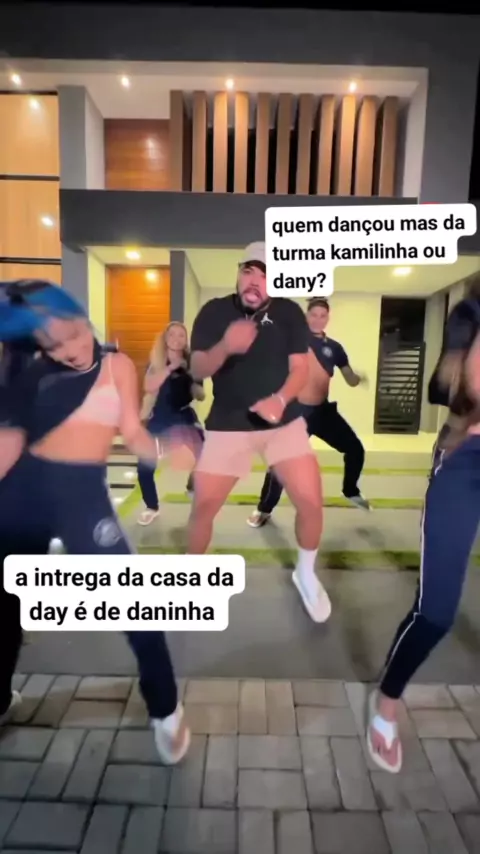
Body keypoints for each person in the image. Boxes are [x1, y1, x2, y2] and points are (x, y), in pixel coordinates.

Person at [0, 280, 191, 764]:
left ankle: (166, 709)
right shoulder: (29, 373)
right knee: (5, 604)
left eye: (71, 335)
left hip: (82, 498)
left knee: (133, 602)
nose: (67, 351)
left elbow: (132, 431)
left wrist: (166, 449)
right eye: (52, 346)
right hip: (22, 495)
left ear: (83, 318)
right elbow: (9, 444)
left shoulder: (118, 366)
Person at [367, 284, 480, 774]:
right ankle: (386, 703)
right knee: (435, 613)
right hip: (467, 461)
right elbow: (447, 388)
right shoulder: (470, 313)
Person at [188, 242, 330, 622]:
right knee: (202, 507)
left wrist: (280, 400)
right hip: (228, 423)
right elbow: (198, 368)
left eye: (266, 275)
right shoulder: (215, 311)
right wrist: (225, 346)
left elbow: (299, 369)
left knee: (311, 502)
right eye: (249, 271)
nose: (256, 281)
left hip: (283, 422)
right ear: (238, 272)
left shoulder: (289, 312)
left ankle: (305, 573)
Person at [248, 296, 370, 528]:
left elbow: (349, 378)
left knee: (355, 449)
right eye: (313, 315)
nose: (318, 319)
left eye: (322, 315)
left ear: (328, 318)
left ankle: (350, 490)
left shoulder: (335, 348)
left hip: (323, 412)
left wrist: (358, 379)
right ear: (306, 316)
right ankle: (264, 509)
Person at [137, 322, 205, 526]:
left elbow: (200, 395)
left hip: (184, 415)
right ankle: (152, 506)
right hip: (160, 416)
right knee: (144, 466)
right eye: (172, 335)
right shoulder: (157, 361)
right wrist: (169, 368)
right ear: (165, 339)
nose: (176, 339)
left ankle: (194, 489)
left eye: (181, 335)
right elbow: (148, 386)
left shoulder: (192, 362)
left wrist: (192, 376)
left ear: (186, 340)